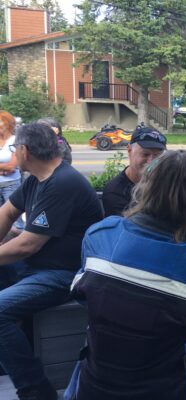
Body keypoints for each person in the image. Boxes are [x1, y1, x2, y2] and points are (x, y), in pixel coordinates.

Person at [66, 151, 186, 399]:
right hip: (169, 387)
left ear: (145, 187)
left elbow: (82, 294)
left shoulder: (99, 235)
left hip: (95, 383)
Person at [0, 123, 103, 400]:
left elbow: (27, 245)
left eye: (14, 148)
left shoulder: (63, 183)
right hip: (37, 265)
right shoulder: (37, 179)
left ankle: (36, 390)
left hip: (64, 274)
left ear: (24, 151)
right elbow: (7, 213)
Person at [102, 126, 166, 216]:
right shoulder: (115, 192)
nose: (151, 161)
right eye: (145, 154)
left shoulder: (165, 182)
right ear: (129, 150)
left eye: (157, 155)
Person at [0, 111, 24, 232]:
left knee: (16, 220)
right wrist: (4, 168)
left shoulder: (15, 140)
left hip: (11, 184)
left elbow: (12, 166)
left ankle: (18, 240)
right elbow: (8, 166)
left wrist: (7, 168)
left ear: (8, 124)